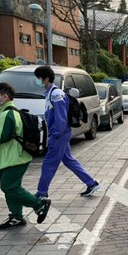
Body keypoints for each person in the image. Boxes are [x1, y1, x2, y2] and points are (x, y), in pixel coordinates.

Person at [0, 83, 51, 229]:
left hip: (14, 159)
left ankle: (39, 204)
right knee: (12, 187)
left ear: (4, 97)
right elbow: (3, 139)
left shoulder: (9, 114)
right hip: (11, 158)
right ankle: (16, 217)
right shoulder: (6, 113)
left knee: (9, 187)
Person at [34, 65, 100, 198]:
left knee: (49, 163)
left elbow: (61, 118)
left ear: (46, 79)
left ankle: (41, 193)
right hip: (60, 134)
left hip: (59, 134)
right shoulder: (50, 93)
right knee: (69, 160)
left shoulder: (56, 95)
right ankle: (91, 183)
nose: (37, 80)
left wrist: (55, 135)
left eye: (39, 78)